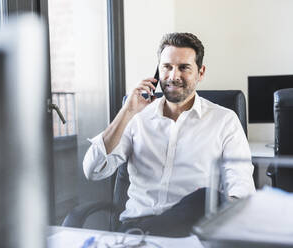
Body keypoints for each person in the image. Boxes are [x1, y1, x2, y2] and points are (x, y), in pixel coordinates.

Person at [83, 32, 255, 237]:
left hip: (193, 230)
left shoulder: (225, 120)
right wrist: (127, 112)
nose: (173, 76)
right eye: (167, 67)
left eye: (183, 67)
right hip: (137, 224)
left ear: (201, 72)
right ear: (158, 71)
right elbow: (93, 170)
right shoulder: (136, 117)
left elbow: (242, 191)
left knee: (208, 198)